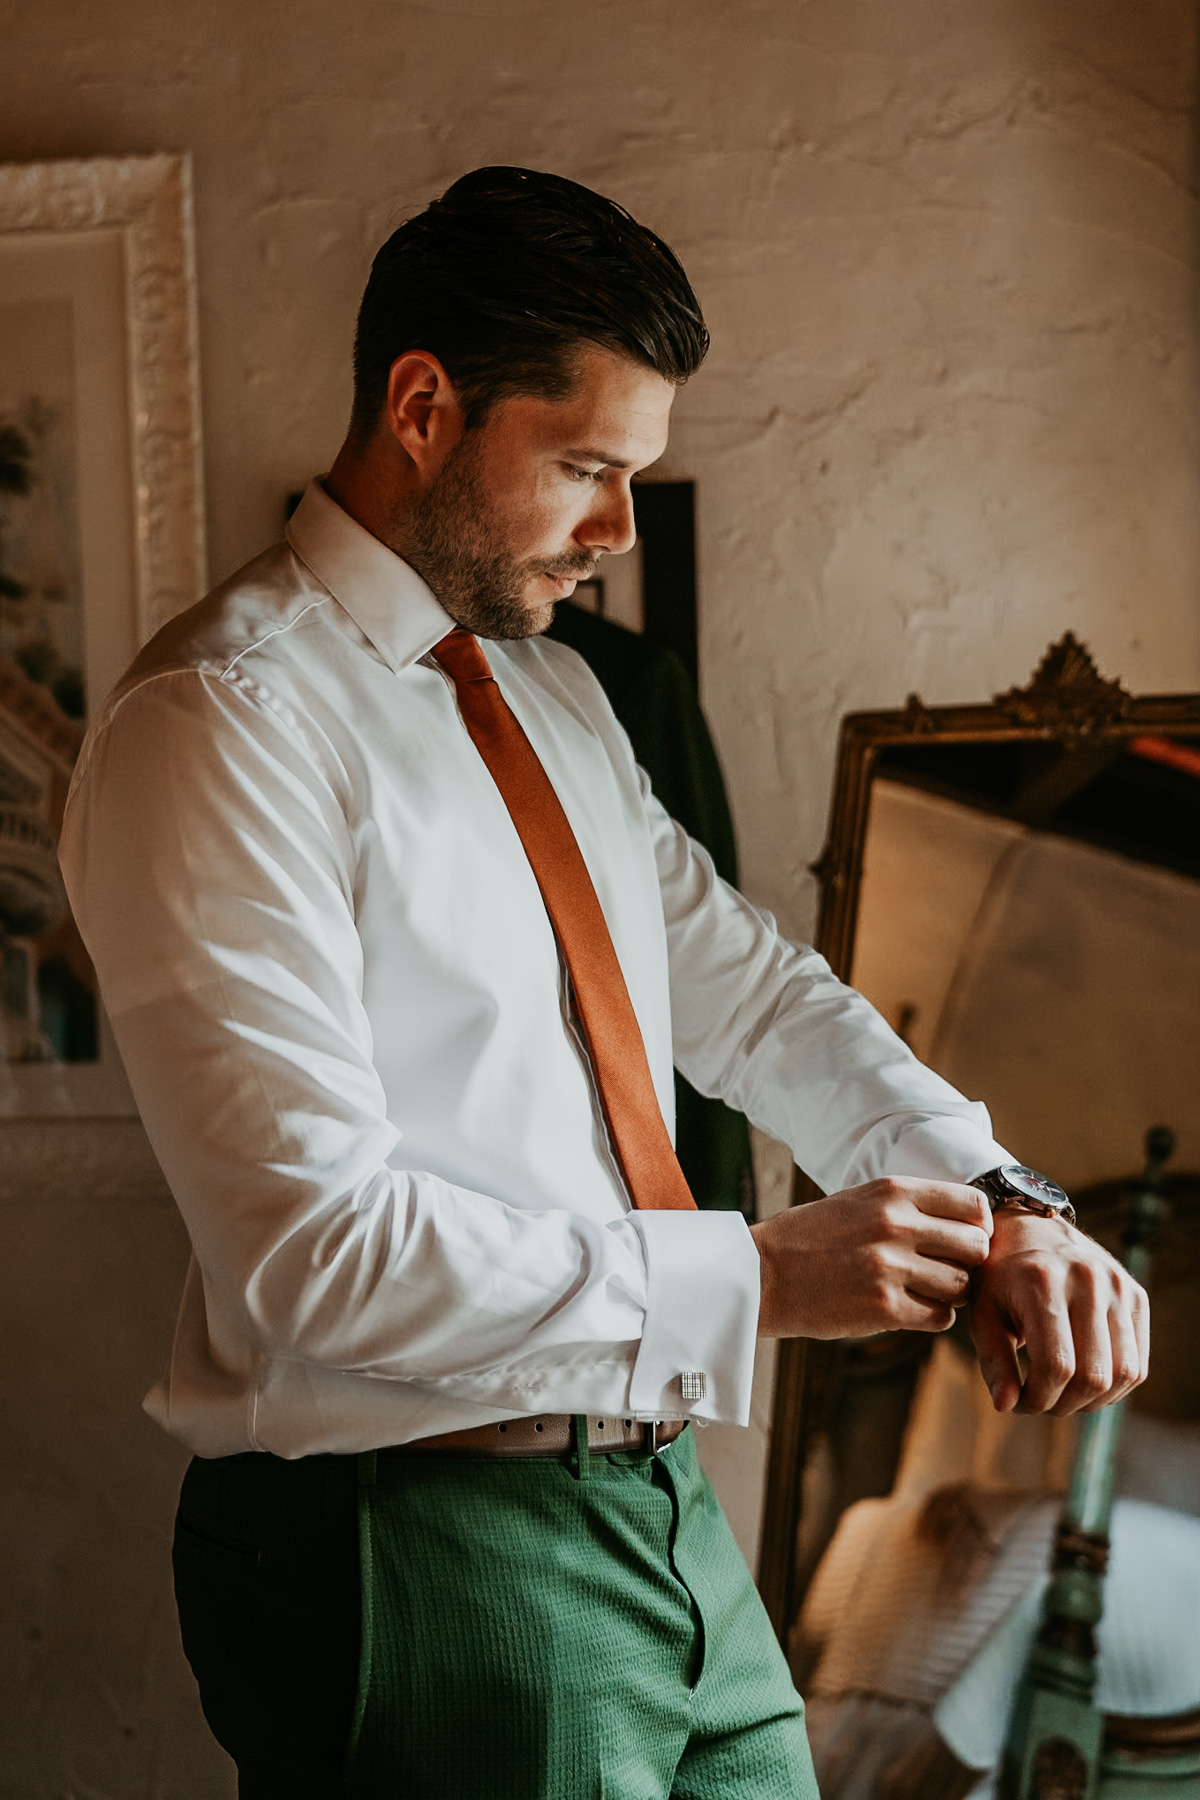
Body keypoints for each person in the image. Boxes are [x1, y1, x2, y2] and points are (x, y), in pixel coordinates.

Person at [59, 167, 1147, 1799]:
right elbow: (311, 1255)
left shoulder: (558, 700)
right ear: (422, 406)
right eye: (585, 466)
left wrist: (1003, 1199)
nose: (621, 527)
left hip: (660, 1507)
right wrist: (759, 1278)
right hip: (427, 1536)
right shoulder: (220, 724)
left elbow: (760, 998)